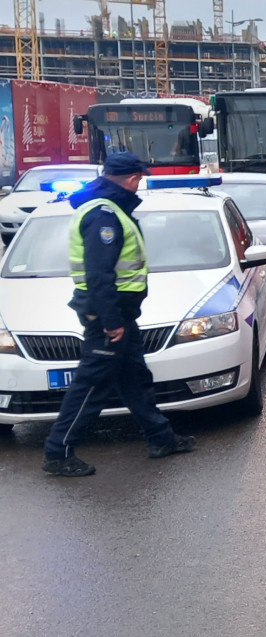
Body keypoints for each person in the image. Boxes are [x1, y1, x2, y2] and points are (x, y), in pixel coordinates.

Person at [42, 152, 195, 478]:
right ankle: (58, 452)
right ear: (131, 179)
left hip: (120, 314)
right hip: (108, 317)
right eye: (139, 178)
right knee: (91, 386)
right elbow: (99, 275)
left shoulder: (107, 209)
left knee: (134, 379)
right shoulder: (104, 216)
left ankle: (161, 438)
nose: (140, 184)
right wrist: (111, 321)